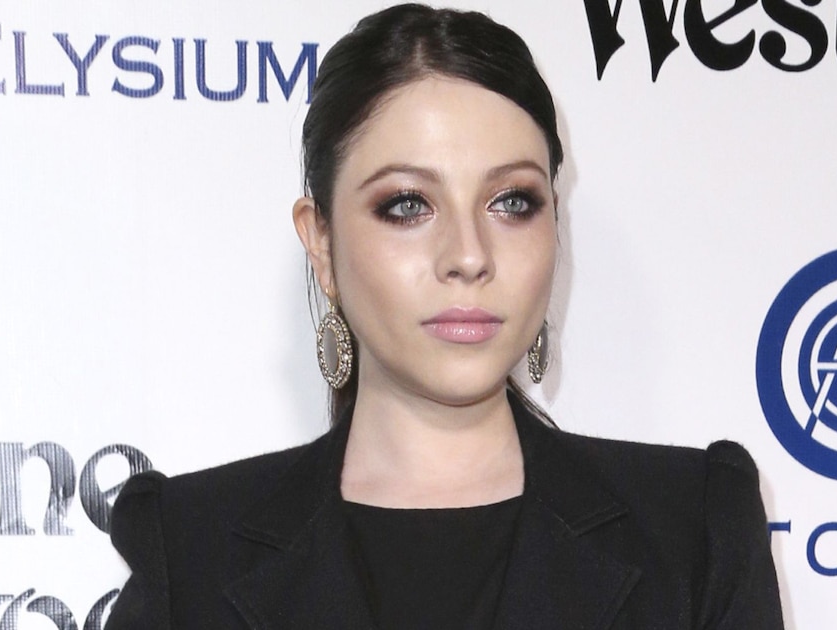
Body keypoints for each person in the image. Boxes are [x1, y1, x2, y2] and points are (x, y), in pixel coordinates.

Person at [104, 4, 784, 629]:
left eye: (512, 202)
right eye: (407, 205)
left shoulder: (694, 530)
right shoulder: (190, 550)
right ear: (321, 243)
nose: (469, 255)